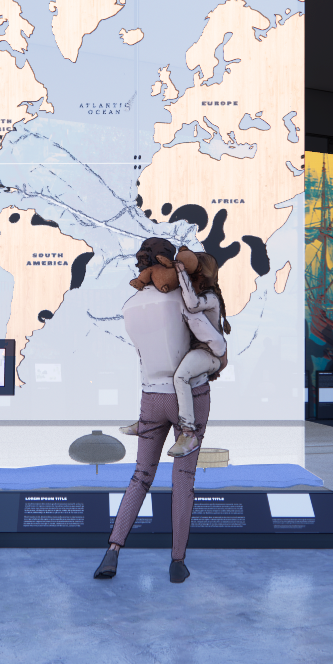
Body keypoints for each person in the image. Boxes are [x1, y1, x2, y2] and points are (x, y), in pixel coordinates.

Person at [96, 240, 205, 585]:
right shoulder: (181, 299)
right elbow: (208, 338)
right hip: (190, 393)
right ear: (167, 259)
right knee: (182, 479)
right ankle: (177, 561)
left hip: (150, 396)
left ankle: (112, 550)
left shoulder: (131, 306)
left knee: (140, 476)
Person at [167, 251, 230, 458]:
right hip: (204, 351)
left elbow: (193, 305)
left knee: (180, 376)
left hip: (210, 354)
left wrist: (182, 274)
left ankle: (188, 432)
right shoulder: (204, 295)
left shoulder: (210, 298)